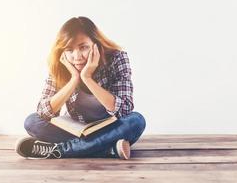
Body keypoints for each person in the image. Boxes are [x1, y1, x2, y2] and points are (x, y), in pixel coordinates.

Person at [14, 16, 146, 160]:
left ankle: (60, 150)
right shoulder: (61, 64)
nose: (77, 56)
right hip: (76, 130)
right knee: (32, 121)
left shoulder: (117, 58)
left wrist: (87, 78)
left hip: (109, 128)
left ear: (96, 44)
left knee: (136, 121)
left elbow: (124, 109)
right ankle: (108, 149)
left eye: (83, 47)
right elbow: (44, 111)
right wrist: (74, 79)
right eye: (69, 49)